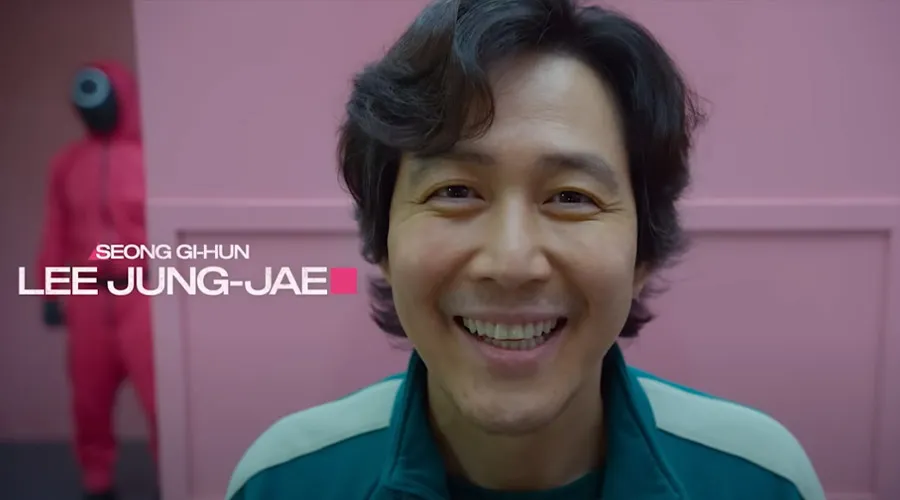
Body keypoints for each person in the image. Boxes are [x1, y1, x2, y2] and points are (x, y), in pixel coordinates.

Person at [226, 0, 826, 498]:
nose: (511, 263)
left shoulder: (760, 480)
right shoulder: (283, 482)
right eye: (455, 192)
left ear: (642, 253)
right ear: (383, 238)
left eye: (570, 197)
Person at [37, 60, 157, 500]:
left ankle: (176, 479)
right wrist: (50, 290)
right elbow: (56, 229)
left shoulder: (150, 161)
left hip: (143, 293)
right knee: (88, 397)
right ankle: (96, 479)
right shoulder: (67, 164)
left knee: (160, 397)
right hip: (87, 294)